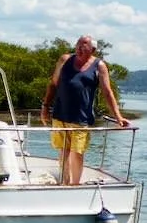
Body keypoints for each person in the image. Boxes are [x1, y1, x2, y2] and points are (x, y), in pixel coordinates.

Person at [40, 35, 129, 185]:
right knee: (63, 150)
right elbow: (53, 84)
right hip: (60, 114)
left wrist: (118, 117)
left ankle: (75, 184)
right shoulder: (65, 60)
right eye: (78, 44)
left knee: (77, 152)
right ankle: (64, 182)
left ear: (92, 49)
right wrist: (45, 107)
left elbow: (107, 92)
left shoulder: (99, 66)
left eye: (84, 45)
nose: (80, 47)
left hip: (81, 118)